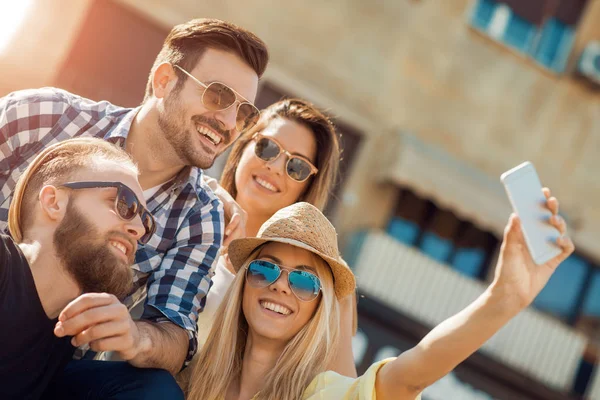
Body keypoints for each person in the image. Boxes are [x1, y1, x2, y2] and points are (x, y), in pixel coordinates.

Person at [0, 17, 269, 387]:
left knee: (154, 389)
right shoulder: (46, 116)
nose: (228, 122)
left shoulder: (201, 216)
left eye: (244, 113)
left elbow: (176, 332)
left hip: (53, 366)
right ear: (164, 81)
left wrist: (135, 336)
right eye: (217, 95)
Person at [179, 194, 574, 400]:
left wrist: (502, 299)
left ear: (320, 308)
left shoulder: (326, 395)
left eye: (304, 281)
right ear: (244, 280)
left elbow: (408, 377)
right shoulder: (187, 372)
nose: (280, 285)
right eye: (265, 268)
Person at [0, 138, 181, 399]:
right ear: (54, 202)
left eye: (145, 222)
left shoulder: (68, 332)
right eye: (124, 203)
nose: (139, 231)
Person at [195, 98, 357, 377]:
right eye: (267, 147)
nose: (276, 167)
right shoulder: (192, 211)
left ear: (308, 187)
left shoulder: (324, 277)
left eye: (297, 167)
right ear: (244, 145)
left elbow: (340, 385)